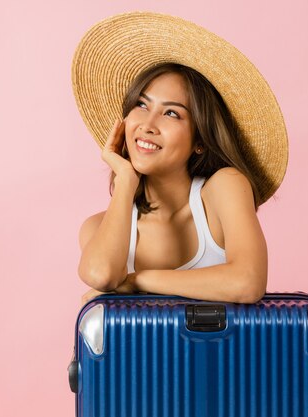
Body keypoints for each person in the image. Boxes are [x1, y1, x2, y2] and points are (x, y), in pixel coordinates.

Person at [72, 12, 289, 305]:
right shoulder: (98, 228)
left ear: (200, 141)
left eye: (171, 112)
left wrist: (138, 281)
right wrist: (125, 179)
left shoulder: (224, 188)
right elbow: (100, 274)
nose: (148, 124)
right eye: (141, 105)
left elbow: (248, 283)